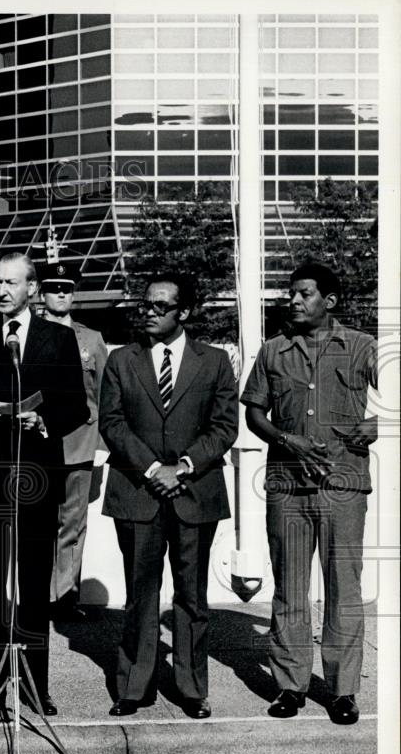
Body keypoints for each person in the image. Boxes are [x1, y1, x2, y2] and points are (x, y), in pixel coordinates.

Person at [0, 253, 88, 718]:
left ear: (33, 288)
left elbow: (77, 408)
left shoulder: (59, 339)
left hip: (36, 477)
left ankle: (35, 686)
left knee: (32, 585)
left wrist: (42, 419)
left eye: (11, 282)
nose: (2, 290)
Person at [241, 263, 377, 726]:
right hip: (287, 488)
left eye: (305, 294)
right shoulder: (274, 351)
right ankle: (290, 686)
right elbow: (254, 413)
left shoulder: (362, 346)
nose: (294, 301)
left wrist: (376, 425)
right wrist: (286, 439)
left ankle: (342, 692)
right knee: (291, 588)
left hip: (344, 487)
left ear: (330, 301)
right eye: (292, 293)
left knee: (343, 590)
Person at [99, 273, 238, 720]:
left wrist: (184, 466)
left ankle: (192, 687)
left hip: (195, 493)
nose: (151, 312)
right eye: (147, 304)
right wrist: (153, 468)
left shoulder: (215, 361)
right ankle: (134, 687)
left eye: (162, 306)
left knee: (192, 595)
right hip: (137, 492)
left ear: (185, 312)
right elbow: (112, 422)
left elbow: (224, 426)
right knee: (140, 593)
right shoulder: (122, 360)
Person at [41, 263, 109, 622]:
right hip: (37, 443)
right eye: (54, 288)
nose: (62, 294)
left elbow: (105, 393)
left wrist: (101, 445)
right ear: (42, 294)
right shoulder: (27, 335)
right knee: (37, 522)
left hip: (81, 443)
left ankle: (64, 595)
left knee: (72, 522)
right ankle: (38, 594)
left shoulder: (91, 338)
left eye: (67, 288)